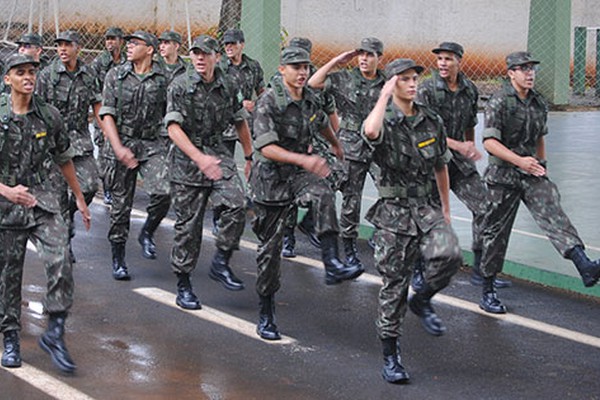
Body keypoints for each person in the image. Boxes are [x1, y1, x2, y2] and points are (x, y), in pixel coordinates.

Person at [250, 46, 364, 341]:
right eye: (296, 67)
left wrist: (336, 144)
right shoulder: (269, 100)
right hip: (271, 179)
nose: (302, 73)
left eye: (305, 67)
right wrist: (304, 160)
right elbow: (265, 147)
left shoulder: (310, 98)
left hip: (299, 173)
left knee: (323, 192)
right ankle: (266, 311)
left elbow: (322, 122)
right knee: (270, 252)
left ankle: (331, 262)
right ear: (282, 70)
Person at [362, 58, 462, 383]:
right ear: (392, 84)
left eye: (414, 78)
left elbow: (441, 166)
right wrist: (383, 96)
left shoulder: (431, 120)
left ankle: (422, 299)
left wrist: (446, 210)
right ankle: (391, 356)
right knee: (394, 286)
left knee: (450, 255)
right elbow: (371, 132)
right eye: (404, 79)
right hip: (394, 214)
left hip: (427, 206)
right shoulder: (384, 118)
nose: (412, 83)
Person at [478, 51, 600, 313]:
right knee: (495, 233)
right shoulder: (500, 101)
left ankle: (584, 265)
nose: (529, 73)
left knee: (554, 212)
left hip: (531, 173)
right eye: (523, 69)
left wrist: (541, 166)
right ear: (511, 73)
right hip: (503, 177)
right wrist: (519, 161)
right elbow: (489, 143)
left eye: (531, 68)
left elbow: (540, 137)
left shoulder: (538, 103)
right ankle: (488, 288)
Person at [0, 53, 91, 372]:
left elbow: (63, 157)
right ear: (7, 79)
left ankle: (54, 331)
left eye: (32, 72)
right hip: (6, 203)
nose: (28, 77)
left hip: (43, 198)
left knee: (61, 258)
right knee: (8, 274)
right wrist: (8, 191)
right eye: (20, 72)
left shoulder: (49, 115)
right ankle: (10, 336)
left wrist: (79, 197)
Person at [165, 34, 253, 309]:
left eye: (206, 53)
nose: (200, 58)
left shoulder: (228, 84)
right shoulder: (180, 85)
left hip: (217, 151)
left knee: (237, 203)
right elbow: (173, 129)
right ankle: (184, 284)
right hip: (186, 158)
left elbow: (239, 121)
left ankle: (221, 260)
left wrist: (250, 156)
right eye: (196, 53)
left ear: (217, 56)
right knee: (188, 227)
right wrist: (198, 158)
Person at [416, 42, 511, 289]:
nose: (443, 64)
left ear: (460, 61)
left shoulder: (469, 89)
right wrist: (461, 146)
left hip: (458, 161)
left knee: (485, 206)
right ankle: (420, 268)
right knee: (429, 216)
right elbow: (424, 133)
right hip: (430, 161)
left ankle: (481, 269)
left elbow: (470, 122)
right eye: (440, 59)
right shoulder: (426, 89)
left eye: (448, 59)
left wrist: (469, 146)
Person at [308, 37, 387, 273]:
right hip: (352, 146)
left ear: (378, 58)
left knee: (392, 193)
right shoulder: (346, 78)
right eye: (361, 54)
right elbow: (313, 83)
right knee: (352, 200)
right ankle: (350, 249)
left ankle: (378, 230)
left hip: (379, 146)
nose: (364, 58)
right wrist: (336, 60)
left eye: (369, 55)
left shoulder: (386, 83)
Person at [99, 30, 171, 279]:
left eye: (135, 43)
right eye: (128, 43)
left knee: (164, 191)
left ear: (150, 49)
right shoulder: (116, 75)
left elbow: (171, 111)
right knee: (121, 207)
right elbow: (106, 114)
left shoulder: (164, 78)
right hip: (123, 142)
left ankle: (147, 232)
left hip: (152, 143)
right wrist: (118, 148)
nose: (128, 47)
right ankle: (118, 258)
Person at [36, 30, 102, 263]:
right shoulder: (47, 75)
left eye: (67, 45)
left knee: (90, 186)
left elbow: (97, 104)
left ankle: (70, 215)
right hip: (54, 144)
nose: (62, 49)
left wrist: (107, 132)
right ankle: (64, 242)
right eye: (59, 45)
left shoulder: (87, 73)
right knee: (58, 194)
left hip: (81, 142)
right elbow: (37, 109)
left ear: (78, 48)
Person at [280, 36, 339, 259]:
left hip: (316, 139)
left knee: (332, 175)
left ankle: (310, 220)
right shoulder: (282, 79)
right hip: (289, 143)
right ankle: (288, 237)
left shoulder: (315, 79)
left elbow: (330, 114)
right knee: (288, 189)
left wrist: (335, 142)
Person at [90, 26, 127, 206]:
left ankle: (118, 187)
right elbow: (94, 91)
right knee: (105, 154)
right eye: (107, 39)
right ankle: (107, 188)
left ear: (121, 41)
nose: (110, 43)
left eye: (113, 39)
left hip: (122, 114)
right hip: (104, 114)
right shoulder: (99, 63)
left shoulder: (127, 61)